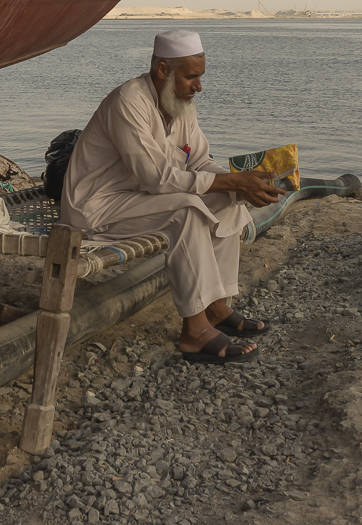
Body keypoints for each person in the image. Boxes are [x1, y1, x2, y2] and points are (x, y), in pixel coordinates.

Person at [61, 29, 284, 362]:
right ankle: (194, 332)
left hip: (141, 200)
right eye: (191, 77)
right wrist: (234, 181)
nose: (198, 87)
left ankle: (216, 307)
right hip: (97, 207)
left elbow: (200, 161)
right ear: (163, 71)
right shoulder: (129, 101)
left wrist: (242, 182)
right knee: (188, 210)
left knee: (227, 199)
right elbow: (156, 178)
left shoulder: (179, 104)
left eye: (200, 77)